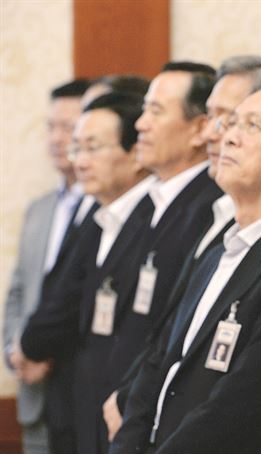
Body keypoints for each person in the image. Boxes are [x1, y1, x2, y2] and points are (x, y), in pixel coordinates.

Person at [111, 81, 261, 454]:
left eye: (253, 126)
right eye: (232, 123)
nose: (229, 137)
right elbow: (159, 361)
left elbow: (243, 402)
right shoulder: (218, 248)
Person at [20, 91, 155, 454]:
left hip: (124, 412)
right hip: (77, 405)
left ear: (135, 152)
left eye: (92, 148)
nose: (80, 161)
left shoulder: (154, 220)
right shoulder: (98, 215)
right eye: (76, 149)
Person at [3, 78, 89, 454]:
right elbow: (19, 291)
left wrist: (47, 350)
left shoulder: (109, 213)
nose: (57, 138)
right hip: (34, 391)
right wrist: (16, 350)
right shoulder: (39, 211)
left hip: (80, 389)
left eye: (68, 127)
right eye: (51, 127)